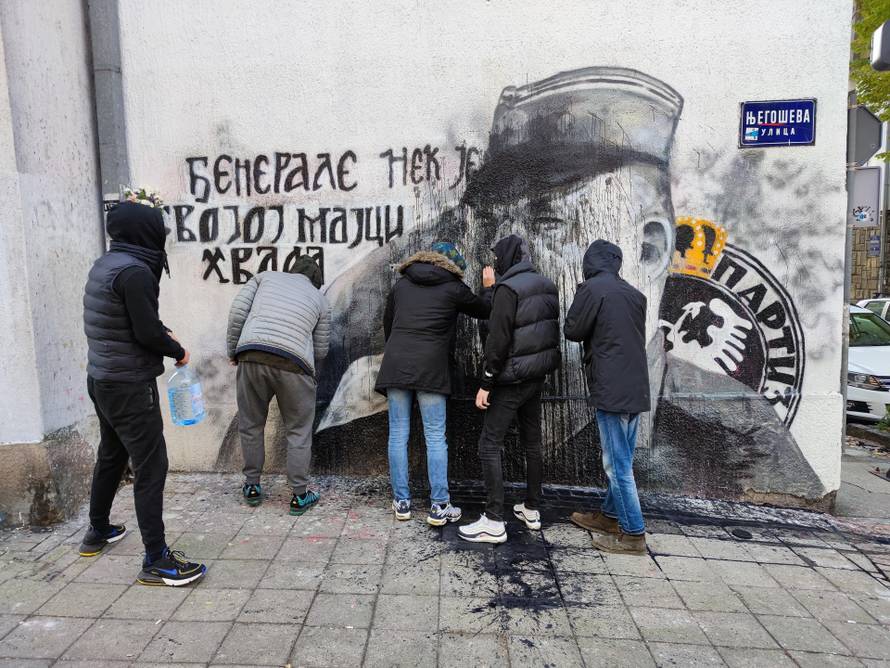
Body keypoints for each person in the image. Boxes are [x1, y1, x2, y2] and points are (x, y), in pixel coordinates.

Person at [81, 199, 206, 586]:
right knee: (151, 467)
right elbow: (145, 332)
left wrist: (159, 332)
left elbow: (130, 320)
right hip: (130, 385)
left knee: (112, 454)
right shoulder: (135, 272)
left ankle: (96, 531)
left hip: (101, 378)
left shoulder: (106, 263)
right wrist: (178, 350)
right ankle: (156, 560)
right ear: (144, 231)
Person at [375, 242, 493, 525]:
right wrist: (489, 286)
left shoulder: (402, 284)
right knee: (435, 437)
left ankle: (401, 502)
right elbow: (485, 309)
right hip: (431, 369)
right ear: (451, 264)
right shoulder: (453, 287)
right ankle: (439, 505)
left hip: (397, 365)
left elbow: (388, 324)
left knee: (398, 434)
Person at [458, 235, 560, 543]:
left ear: (506, 258)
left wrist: (486, 382)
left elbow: (497, 339)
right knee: (532, 443)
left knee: (489, 444)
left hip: (510, 379)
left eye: (497, 257)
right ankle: (531, 507)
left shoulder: (507, 289)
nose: (495, 263)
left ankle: (493, 519)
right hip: (536, 377)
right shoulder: (547, 284)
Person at [226, 255, 330, 516]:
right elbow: (321, 348)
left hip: (252, 354)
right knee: (298, 432)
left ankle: (251, 486)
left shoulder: (264, 278)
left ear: (292, 270)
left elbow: (238, 312)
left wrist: (234, 351)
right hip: (295, 365)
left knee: (250, 425)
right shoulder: (320, 299)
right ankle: (299, 495)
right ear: (316, 281)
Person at [564, 239, 650, 554]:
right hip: (636, 387)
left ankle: (634, 535)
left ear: (590, 261)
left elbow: (572, 330)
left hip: (611, 389)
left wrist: (580, 296)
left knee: (617, 465)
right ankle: (610, 517)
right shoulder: (634, 294)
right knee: (623, 459)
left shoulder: (592, 289)